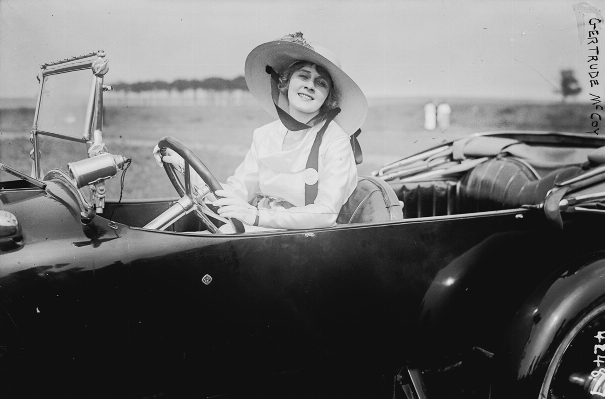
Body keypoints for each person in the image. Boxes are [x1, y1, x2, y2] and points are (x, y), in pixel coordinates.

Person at [154, 32, 368, 231]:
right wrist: (184, 166)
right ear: (285, 82)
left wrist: (255, 216)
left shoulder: (336, 141)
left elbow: (326, 214)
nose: (310, 86)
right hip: (260, 232)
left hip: (309, 243)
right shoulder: (265, 135)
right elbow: (235, 193)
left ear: (328, 97)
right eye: (303, 76)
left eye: (320, 83)